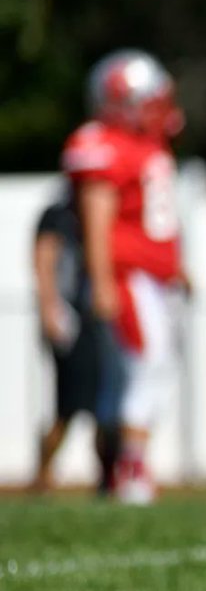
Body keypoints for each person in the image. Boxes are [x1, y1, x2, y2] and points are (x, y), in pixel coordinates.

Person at [62, 49, 188, 506]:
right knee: (144, 365)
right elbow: (97, 219)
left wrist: (177, 267)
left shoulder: (147, 146)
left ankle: (113, 473)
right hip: (127, 273)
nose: (160, 109)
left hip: (153, 275)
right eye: (150, 100)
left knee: (135, 375)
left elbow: (157, 222)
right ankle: (131, 470)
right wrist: (102, 281)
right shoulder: (101, 143)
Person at [29, 190, 119, 494]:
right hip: (69, 322)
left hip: (100, 321)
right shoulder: (58, 216)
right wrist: (48, 308)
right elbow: (44, 258)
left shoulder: (110, 207)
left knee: (106, 407)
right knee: (67, 408)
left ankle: (107, 479)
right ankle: (42, 475)